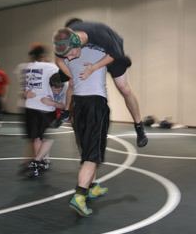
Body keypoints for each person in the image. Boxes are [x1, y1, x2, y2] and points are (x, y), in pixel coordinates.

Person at [54, 19, 148, 147]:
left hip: (112, 52)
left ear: (77, 45)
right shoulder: (66, 40)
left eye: (70, 54)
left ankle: (139, 126)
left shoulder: (100, 34)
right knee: (72, 82)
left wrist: (94, 67)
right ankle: (65, 112)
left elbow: (113, 55)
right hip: (92, 48)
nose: (69, 58)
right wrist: (71, 74)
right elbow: (59, 60)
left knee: (123, 88)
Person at [53, 32, 110, 217]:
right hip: (95, 103)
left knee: (86, 149)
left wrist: (69, 111)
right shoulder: (99, 49)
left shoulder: (67, 54)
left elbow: (70, 85)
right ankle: (80, 196)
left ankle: (93, 186)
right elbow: (119, 53)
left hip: (78, 104)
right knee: (92, 154)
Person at [22, 45, 60, 177]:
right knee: (48, 138)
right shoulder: (51, 67)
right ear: (44, 56)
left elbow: (27, 88)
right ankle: (38, 161)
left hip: (30, 105)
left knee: (36, 137)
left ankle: (41, 162)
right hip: (45, 106)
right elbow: (62, 80)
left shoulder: (28, 67)